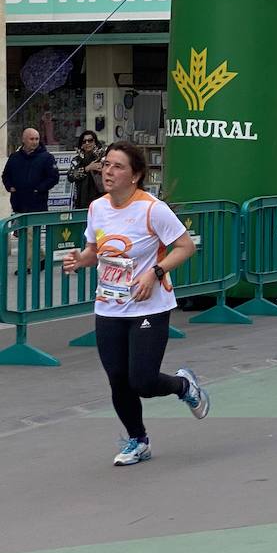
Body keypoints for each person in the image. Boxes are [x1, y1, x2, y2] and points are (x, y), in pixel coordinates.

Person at [61, 142, 205, 467]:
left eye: (118, 166)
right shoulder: (97, 208)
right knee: (117, 379)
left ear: (136, 175)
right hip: (108, 307)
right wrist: (79, 261)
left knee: (142, 381)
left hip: (149, 307)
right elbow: (94, 251)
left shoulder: (152, 209)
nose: (109, 172)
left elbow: (185, 246)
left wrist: (155, 272)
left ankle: (183, 385)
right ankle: (138, 440)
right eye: (106, 165)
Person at [4, 127, 60, 272]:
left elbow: (53, 177)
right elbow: (6, 175)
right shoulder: (14, 157)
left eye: (36, 139)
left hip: (36, 203)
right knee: (26, 236)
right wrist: (9, 186)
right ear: (24, 139)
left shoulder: (46, 157)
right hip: (18, 203)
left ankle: (27, 266)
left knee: (29, 235)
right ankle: (42, 258)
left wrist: (39, 189)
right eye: (31, 139)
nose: (35, 142)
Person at [68, 130, 106, 209]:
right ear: (81, 145)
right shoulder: (77, 160)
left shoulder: (103, 158)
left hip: (102, 199)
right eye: (84, 141)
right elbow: (71, 176)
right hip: (82, 201)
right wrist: (87, 168)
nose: (87, 143)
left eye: (90, 140)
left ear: (95, 142)